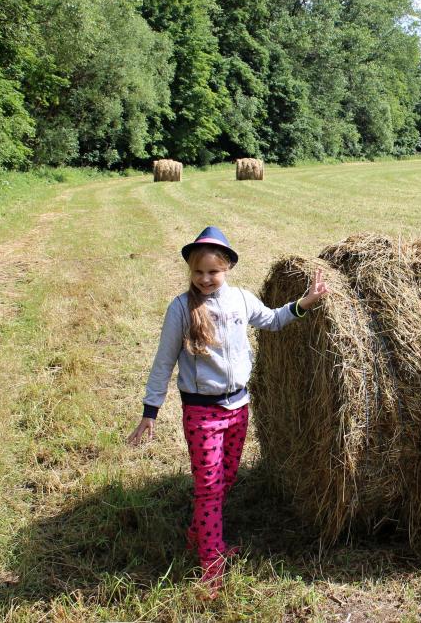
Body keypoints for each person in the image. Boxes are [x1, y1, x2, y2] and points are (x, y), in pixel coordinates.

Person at [127, 226, 328, 598]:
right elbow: (163, 363)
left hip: (239, 408)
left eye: (213, 272)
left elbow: (273, 320)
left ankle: (198, 537)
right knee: (207, 489)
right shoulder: (181, 309)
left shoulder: (241, 300)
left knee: (225, 481)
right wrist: (149, 410)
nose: (205, 279)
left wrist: (305, 303)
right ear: (190, 271)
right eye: (198, 272)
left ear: (228, 268)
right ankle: (211, 565)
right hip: (202, 413)